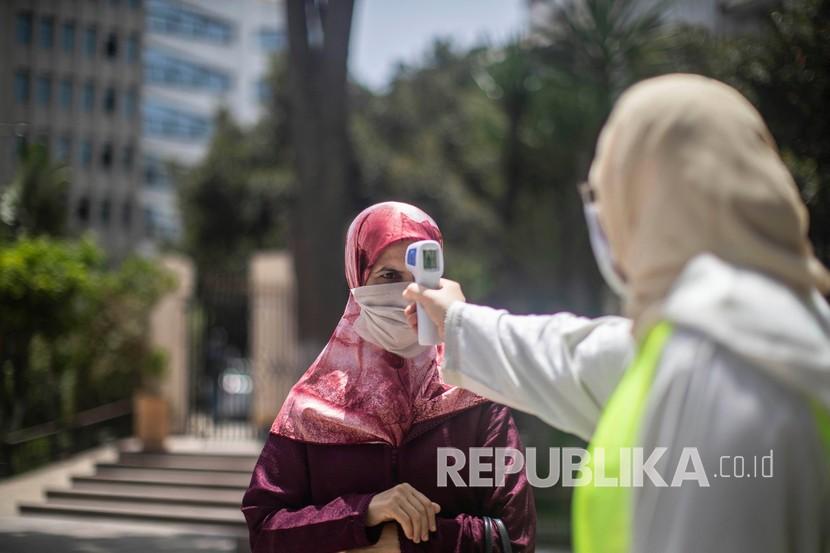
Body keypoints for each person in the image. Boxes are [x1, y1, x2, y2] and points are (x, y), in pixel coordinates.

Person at [403, 74, 830, 553]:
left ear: (649, 203)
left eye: (608, 196)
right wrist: (458, 320)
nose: (605, 222)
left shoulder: (717, 373)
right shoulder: (766, 331)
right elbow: (572, 358)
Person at [242, 201, 536, 552]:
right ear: (358, 277)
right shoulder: (311, 407)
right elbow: (265, 530)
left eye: (421, 279)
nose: (407, 295)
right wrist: (361, 514)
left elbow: (514, 537)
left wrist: (403, 544)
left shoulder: (476, 398)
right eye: (389, 276)